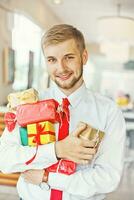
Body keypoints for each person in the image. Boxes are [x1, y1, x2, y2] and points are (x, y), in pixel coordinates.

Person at [0, 24, 126, 200]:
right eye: (52, 60)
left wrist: (48, 178)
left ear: (84, 57)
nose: (61, 68)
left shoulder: (109, 112)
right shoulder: (28, 104)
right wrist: (57, 150)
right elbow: (4, 160)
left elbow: (108, 178)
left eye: (69, 57)